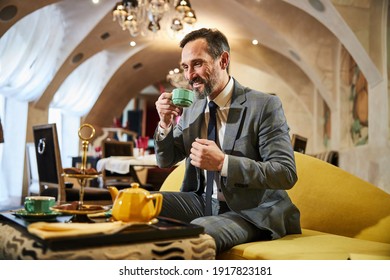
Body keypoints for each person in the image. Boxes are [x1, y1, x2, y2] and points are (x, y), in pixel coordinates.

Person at [154, 28, 301, 254]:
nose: (189, 75)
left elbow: (285, 173)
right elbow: (166, 160)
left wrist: (223, 163)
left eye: (197, 64)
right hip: (201, 201)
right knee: (141, 205)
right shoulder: (192, 108)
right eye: (185, 66)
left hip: (253, 209)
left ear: (223, 60)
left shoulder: (264, 105)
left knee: (198, 232)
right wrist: (165, 123)